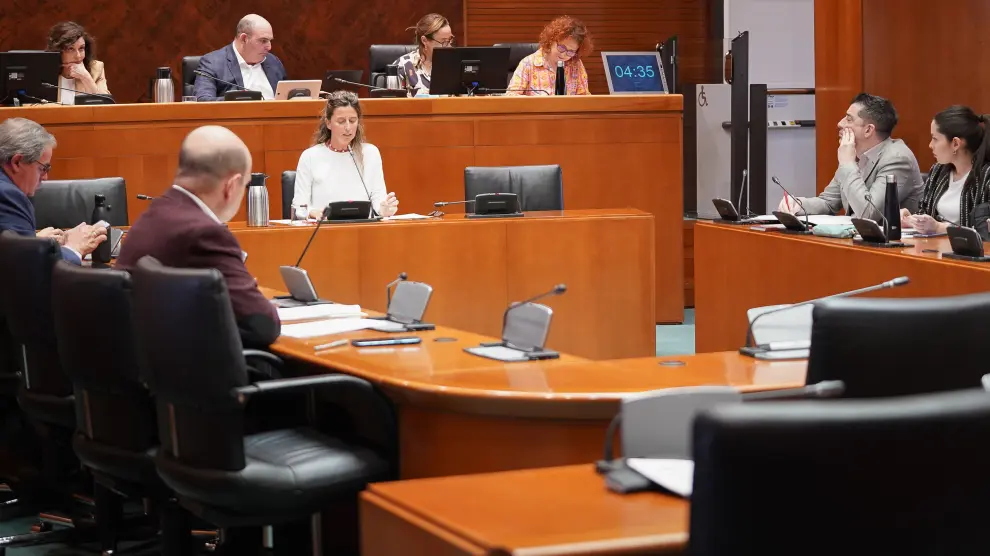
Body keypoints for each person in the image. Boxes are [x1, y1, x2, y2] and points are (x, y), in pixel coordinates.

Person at [116, 126, 280, 348]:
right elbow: (263, 324)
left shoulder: (157, 212)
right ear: (231, 186)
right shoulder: (205, 232)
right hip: (189, 374)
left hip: (145, 365)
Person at [776, 93, 924, 220]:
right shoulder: (855, 154)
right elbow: (828, 201)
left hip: (894, 248)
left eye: (848, 119)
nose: (839, 123)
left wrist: (847, 164)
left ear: (868, 130)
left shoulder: (897, 158)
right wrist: (798, 204)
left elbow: (869, 213)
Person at [0, 118, 106, 264]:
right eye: (43, 168)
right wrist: (74, 248)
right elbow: (28, 268)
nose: (45, 177)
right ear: (17, 162)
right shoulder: (7, 196)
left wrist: (35, 242)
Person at [292, 91, 399, 219]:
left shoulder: (371, 153)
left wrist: (384, 208)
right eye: (341, 121)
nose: (348, 127)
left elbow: (378, 199)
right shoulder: (310, 156)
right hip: (324, 231)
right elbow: (299, 208)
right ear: (328, 123)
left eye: (352, 121)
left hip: (361, 231)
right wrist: (312, 212)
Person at [902, 106, 990, 235]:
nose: (930, 145)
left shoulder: (986, 177)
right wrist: (913, 219)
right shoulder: (938, 171)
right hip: (933, 249)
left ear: (955, 143)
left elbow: (984, 231)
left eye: (935, 139)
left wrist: (939, 228)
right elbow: (926, 213)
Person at [193, 14, 287, 102]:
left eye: (270, 41)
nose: (269, 47)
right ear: (244, 39)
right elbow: (203, 101)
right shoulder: (212, 63)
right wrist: (240, 102)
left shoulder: (273, 62)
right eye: (263, 41)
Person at [506, 16, 592, 96]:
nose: (563, 54)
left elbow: (584, 98)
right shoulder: (528, 63)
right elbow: (511, 96)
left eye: (571, 51)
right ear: (551, 40)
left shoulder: (576, 64)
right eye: (561, 47)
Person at [46, 21, 110, 105]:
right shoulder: (44, 70)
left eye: (81, 48)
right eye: (70, 49)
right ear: (57, 50)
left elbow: (106, 108)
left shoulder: (96, 69)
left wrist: (86, 78)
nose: (78, 56)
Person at [393, 13, 454, 96]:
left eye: (450, 40)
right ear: (424, 40)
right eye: (444, 42)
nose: (449, 46)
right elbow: (392, 104)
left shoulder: (455, 64)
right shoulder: (403, 65)